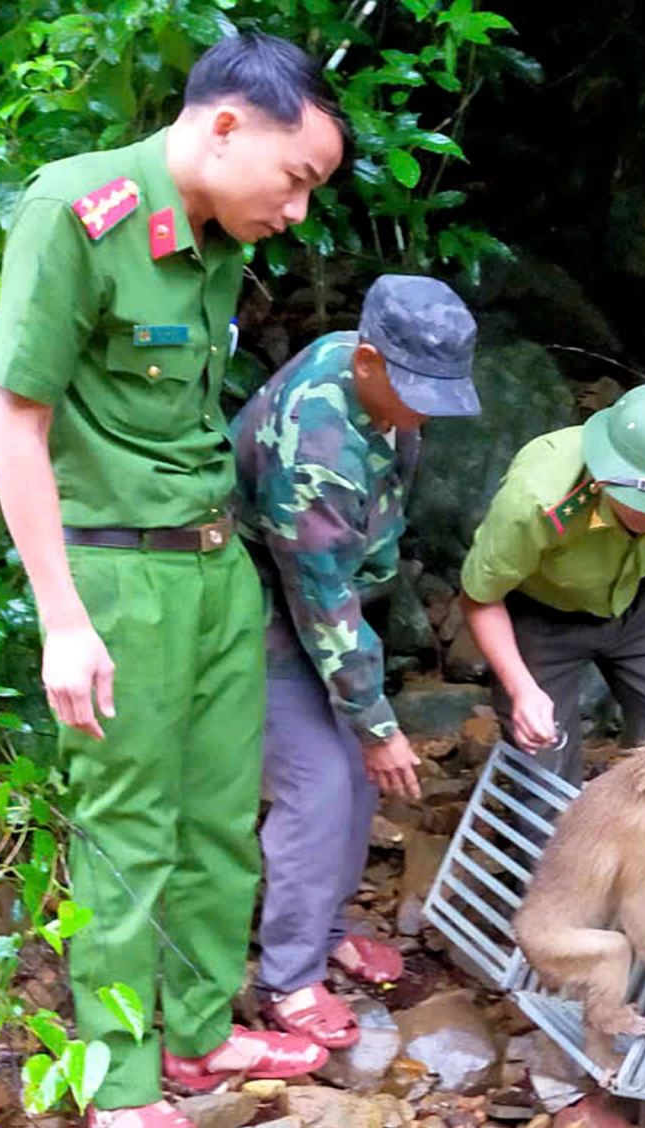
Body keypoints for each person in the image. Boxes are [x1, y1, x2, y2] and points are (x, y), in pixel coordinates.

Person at [0, 32, 348, 1128]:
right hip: (116, 574)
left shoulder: (216, 241)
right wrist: (62, 615)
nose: (297, 212)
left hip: (211, 563)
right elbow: (15, 421)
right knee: (129, 826)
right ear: (228, 125)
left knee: (215, 813)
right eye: (298, 179)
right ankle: (121, 1077)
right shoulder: (76, 211)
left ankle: (196, 1036)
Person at [229, 275, 481, 1049]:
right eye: (414, 391)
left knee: (361, 774)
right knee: (322, 782)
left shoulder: (369, 381)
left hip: (325, 603)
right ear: (369, 359)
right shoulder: (317, 444)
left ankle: (329, 925)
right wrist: (376, 722)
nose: (424, 410)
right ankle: (290, 978)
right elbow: (319, 599)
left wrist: (370, 726)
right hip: (264, 610)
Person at [458, 383, 645, 785]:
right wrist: (521, 688)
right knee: (544, 763)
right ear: (605, 476)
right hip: (542, 613)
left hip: (638, 602)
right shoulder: (539, 494)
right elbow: (479, 597)